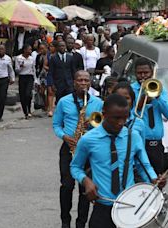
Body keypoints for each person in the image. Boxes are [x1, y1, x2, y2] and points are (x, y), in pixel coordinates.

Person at [70, 94, 166, 228]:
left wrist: (155, 180)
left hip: (130, 205)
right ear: (104, 114)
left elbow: (144, 165)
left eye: (125, 117)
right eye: (116, 118)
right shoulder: (88, 140)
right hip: (103, 206)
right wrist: (86, 181)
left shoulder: (133, 137)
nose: (121, 122)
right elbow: (75, 167)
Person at [53, 70, 103, 228]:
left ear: (90, 83)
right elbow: (56, 124)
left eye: (86, 80)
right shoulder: (64, 101)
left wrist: (92, 129)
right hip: (69, 147)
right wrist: (64, 136)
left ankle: (81, 223)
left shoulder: (97, 103)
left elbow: (102, 125)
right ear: (74, 82)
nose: (83, 83)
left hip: (88, 150)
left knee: (85, 189)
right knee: (66, 186)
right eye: (80, 80)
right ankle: (65, 221)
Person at [131, 57, 168, 174]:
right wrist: (140, 103)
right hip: (138, 142)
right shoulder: (131, 90)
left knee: (157, 179)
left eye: (146, 73)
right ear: (135, 74)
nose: (143, 76)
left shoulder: (159, 88)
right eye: (139, 73)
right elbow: (128, 116)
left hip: (156, 144)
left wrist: (157, 96)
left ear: (152, 73)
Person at [15, 44, 36, 119]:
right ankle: (25, 111)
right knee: (22, 95)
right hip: (22, 77)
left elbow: (34, 68)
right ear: (25, 50)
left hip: (29, 77)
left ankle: (29, 109)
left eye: (31, 50)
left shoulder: (32, 58)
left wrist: (35, 79)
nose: (30, 51)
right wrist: (20, 67)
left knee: (28, 94)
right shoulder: (19, 58)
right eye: (29, 49)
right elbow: (17, 70)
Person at [44, 41, 57, 116]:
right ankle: (50, 109)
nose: (50, 48)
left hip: (58, 75)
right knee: (50, 92)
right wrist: (50, 69)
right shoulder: (48, 55)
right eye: (50, 46)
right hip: (50, 74)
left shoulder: (58, 55)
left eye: (52, 46)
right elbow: (45, 65)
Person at [35, 43, 48, 111]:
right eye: (40, 49)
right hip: (41, 75)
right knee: (41, 91)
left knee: (49, 91)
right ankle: (44, 103)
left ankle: (48, 105)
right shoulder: (39, 56)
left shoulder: (50, 56)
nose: (42, 50)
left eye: (43, 48)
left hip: (48, 74)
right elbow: (37, 66)